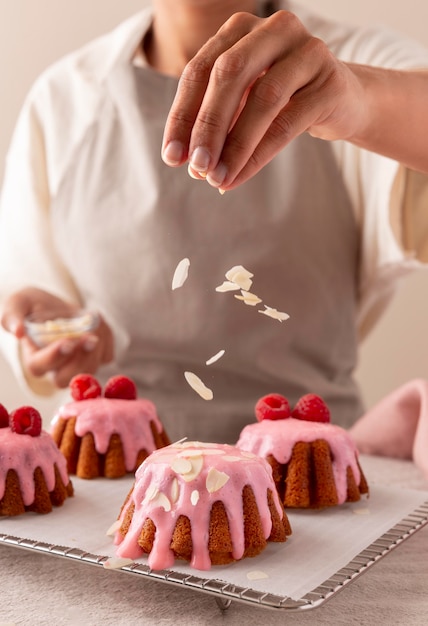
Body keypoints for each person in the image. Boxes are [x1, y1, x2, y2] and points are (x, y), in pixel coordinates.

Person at [1, 0, 428, 444]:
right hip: (109, 463)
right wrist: (43, 334)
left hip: (308, 464)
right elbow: (26, 288)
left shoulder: (355, 59)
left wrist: (355, 97)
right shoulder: (64, 98)